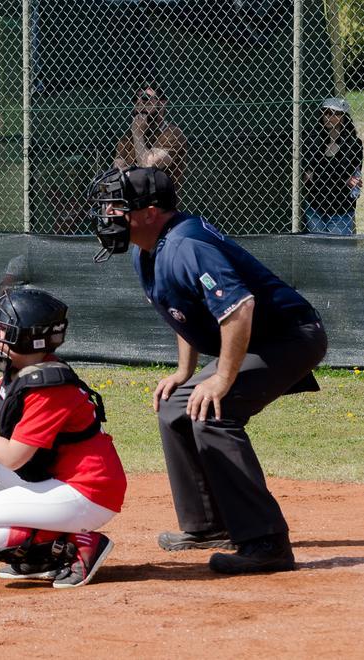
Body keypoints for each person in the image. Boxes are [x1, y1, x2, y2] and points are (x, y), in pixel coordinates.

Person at [88, 166, 327, 575]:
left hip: (288, 337)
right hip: (257, 338)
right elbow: (185, 310)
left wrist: (221, 379)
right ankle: (207, 525)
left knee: (213, 413)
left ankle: (266, 541)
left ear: (150, 212)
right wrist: (186, 371)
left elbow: (238, 308)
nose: (108, 214)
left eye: (118, 206)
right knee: (175, 407)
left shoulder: (185, 245)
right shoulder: (146, 248)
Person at [0, 287, 127, 588]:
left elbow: (13, 456)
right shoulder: (23, 370)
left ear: (30, 338)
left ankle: (79, 544)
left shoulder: (48, 388)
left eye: (4, 330)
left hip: (89, 492)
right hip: (64, 480)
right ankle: (41, 558)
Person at [113, 84, 188, 197]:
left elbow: (147, 165)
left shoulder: (172, 133)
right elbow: (117, 172)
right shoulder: (127, 138)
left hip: (158, 203)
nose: (139, 102)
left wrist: (138, 134)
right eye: (135, 99)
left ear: (162, 104)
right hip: (130, 201)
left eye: (145, 98)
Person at [302, 97, 363, 235]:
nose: (328, 116)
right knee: (317, 251)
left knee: (336, 252)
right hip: (315, 207)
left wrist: (319, 176)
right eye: (325, 112)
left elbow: (352, 178)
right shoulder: (313, 139)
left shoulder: (353, 145)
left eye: (334, 113)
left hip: (340, 209)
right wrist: (342, 180)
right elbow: (307, 177)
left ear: (343, 117)